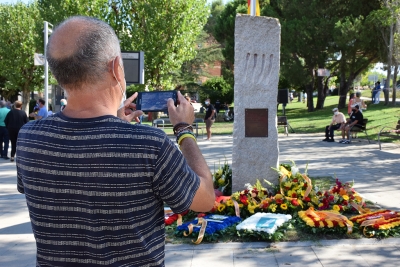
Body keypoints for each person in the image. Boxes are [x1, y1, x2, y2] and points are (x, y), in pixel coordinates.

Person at [16, 16, 214, 267]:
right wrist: (184, 130)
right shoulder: (150, 146)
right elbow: (205, 198)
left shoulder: (29, 138)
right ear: (115, 67)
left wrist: (116, 126)